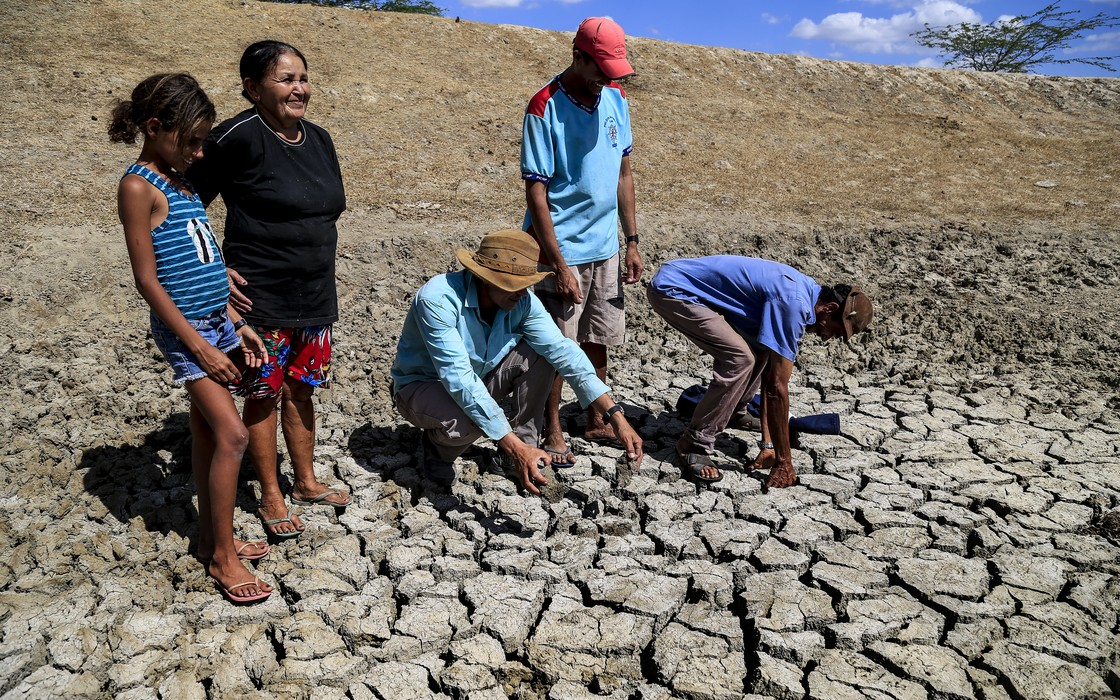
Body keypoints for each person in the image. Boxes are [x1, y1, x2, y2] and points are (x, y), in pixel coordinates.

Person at [111, 73, 272, 604]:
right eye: (193, 140)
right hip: (186, 332)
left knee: (207, 434)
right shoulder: (139, 186)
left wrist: (234, 317)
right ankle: (223, 558)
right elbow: (148, 279)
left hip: (215, 320)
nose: (201, 153)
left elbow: (201, 259)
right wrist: (199, 345)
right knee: (232, 435)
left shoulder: (180, 180)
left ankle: (210, 540)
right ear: (155, 128)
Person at [188, 41, 350, 540]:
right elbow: (182, 208)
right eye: (285, 79)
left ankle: (304, 481)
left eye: (303, 77)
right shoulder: (235, 137)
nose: (299, 88)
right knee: (264, 394)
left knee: (303, 389)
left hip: (316, 295)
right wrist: (215, 272)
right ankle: (270, 492)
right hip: (260, 298)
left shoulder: (319, 139)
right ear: (253, 88)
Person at [391, 229, 644, 494]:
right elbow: (459, 379)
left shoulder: (522, 301)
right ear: (486, 279)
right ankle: (437, 450)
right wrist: (509, 444)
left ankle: (524, 452)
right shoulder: (438, 299)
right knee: (467, 421)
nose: (524, 293)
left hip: (479, 378)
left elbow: (563, 351)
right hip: (422, 387)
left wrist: (615, 415)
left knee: (542, 355)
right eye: (515, 285)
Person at [521, 17, 643, 467]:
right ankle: (552, 429)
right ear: (578, 56)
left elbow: (623, 173)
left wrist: (631, 240)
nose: (606, 80)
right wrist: (556, 261)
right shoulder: (544, 106)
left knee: (598, 339)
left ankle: (595, 417)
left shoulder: (616, 97)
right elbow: (536, 190)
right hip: (564, 250)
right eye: (600, 69)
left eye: (613, 72)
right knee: (558, 345)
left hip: (605, 246)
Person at [647, 256, 873, 489]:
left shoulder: (805, 293)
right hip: (674, 290)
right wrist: (784, 462)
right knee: (740, 359)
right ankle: (693, 443)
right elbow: (777, 388)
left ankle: (734, 411)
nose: (827, 337)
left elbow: (770, 374)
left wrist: (768, 445)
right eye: (836, 331)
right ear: (830, 308)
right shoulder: (793, 304)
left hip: (689, 288)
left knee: (759, 352)